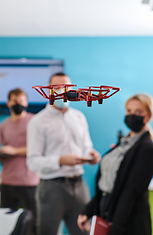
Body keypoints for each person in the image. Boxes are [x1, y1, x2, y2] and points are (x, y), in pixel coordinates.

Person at [27, 72, 101, 235]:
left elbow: (87, 147)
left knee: (83, 232)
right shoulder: (38, 121)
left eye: (67, 87)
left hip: (79, 186)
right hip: (52, 187)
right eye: (58, 87)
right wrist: (60, 161)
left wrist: (92, 155)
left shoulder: (79, 117)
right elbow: (32, 162)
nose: (63, 91)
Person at [77, 94, 153, 235]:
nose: (132, 115)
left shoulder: (147, 150)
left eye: (138, 112)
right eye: (129, 111)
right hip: (106, 213)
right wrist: (88, 211)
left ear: (149, 116)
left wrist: (115, 230)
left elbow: (129, 194)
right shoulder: (122, 144)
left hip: (127, 222)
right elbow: (108, 185)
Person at [0, 88, 39, 233]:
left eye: (21, 101)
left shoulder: (34, 122)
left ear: (26, 103)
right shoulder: (4, 125)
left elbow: (38, 149)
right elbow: (5, 151)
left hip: (29, 181)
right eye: (15, 101)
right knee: (6, 222)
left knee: (33, 224)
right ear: (8, 103)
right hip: (8, 181)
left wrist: (14, 150)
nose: (18, 104)